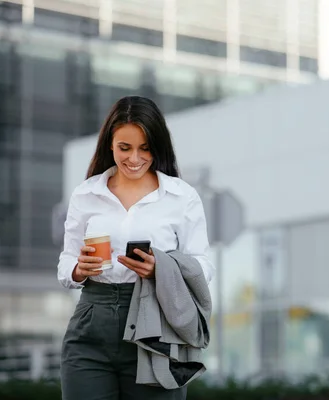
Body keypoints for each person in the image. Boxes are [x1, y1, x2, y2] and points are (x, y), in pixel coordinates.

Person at [57, 96, 214, 400]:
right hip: (91, 321)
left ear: (158, 146)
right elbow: (65, 261)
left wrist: (162, 269)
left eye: (145, 148)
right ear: (110, 146)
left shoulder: (181, 196)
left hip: (155, 325)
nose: (134, 158)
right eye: (124, 148)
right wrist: (78, 269)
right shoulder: (87, 194)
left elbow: (203, 266)